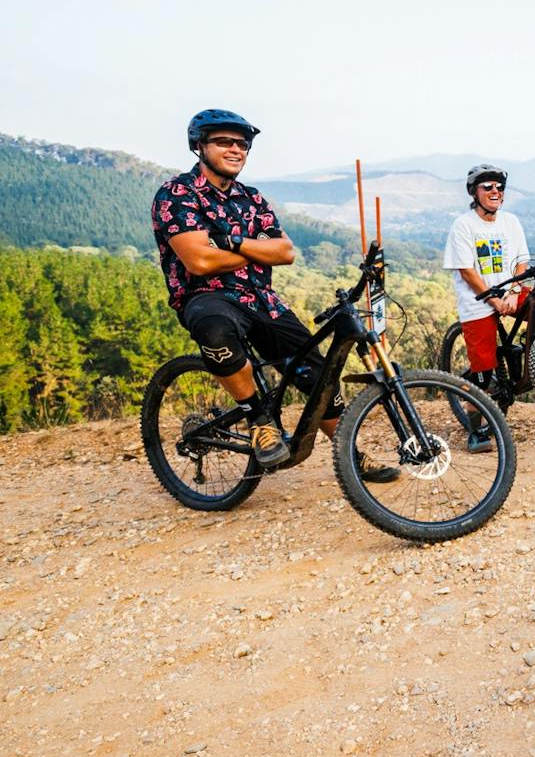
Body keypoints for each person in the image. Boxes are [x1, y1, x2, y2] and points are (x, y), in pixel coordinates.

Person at [151, 109, 398, 481]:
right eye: (224, 142)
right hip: (207, 296)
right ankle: (258, 419)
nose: (235, 149)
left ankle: (352, 455)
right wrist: (253, 247)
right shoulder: (177, 194)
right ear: (199, 146)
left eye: (242, 144)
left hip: (261, 298)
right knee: (216, 333)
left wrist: (229, 240)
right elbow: (199, 261)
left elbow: (285, 253)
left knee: (318, 373)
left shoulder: (252, 199)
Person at [442, 163, 530, 452]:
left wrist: (515, 291)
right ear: (474, 192)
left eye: (499, 186)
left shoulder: (511, 222)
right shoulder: (463, 226)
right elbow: (467, 272)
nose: (495, 191)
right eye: (487, 186)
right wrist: (493, 300)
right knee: (483, 371)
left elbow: (521, 262)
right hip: (478, 301)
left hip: (510, 293)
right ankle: (476, 429)